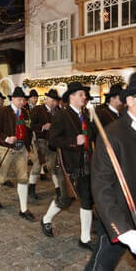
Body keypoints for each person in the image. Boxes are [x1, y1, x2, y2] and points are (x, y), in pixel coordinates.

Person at [86, 71, 136, 270]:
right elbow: (101, 187)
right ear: (130, 100)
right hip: (123, 216)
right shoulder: (113, 135)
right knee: (101, 266)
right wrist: (124, 232)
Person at [41, 82, 95, 252]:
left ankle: (85, 238)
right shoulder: (62, 115)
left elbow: (91, 137)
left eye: (84, 95)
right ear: (71, 96)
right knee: (65, 199)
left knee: (87, 199)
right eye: (80, 94)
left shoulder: (85, 115)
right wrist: (73, 142)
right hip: (67, 164)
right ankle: (46, 220)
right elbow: (52, 141)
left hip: (86, 163)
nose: (84, 97)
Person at [0, 87, 35, 221]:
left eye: (23, 100)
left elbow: (28, 128)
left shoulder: (26, 113)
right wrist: (6, 138)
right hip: (6, 149)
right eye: (19, 99)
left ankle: (23, 209)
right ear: (13, 99)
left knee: (23, 178)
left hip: (21, 150)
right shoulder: (4, 111)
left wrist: (28, 146)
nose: (22, 102)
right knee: (1, 177)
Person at [28, 89, 61, 199]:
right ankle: (31, 188)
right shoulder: (38, 109)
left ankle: (58, 189)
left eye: (55, 101)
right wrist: (42, 127)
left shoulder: (58, 111)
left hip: (53, 142)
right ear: (47, 99)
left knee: (53, 166)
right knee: (38, 164)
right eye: (52, 100)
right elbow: (30, 125)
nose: (54, 103)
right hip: (39, 141)